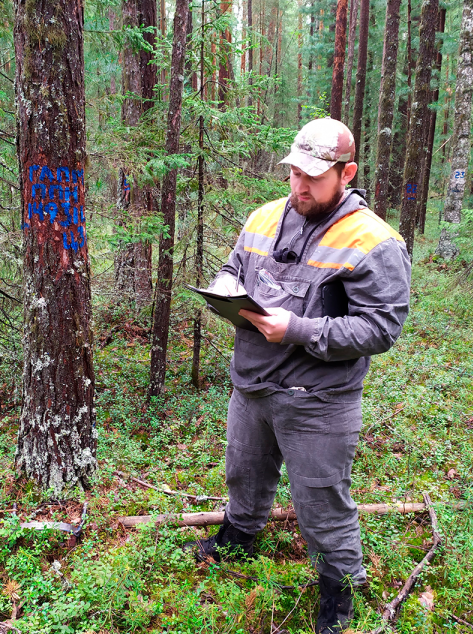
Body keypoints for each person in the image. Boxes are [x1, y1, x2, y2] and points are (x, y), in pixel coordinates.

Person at [190, 118, 411, 633]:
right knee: (244, 472)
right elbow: (235, 267)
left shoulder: (373, 240)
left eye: (314, 176)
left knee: (321, 499)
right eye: (294, 173)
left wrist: (297, 329)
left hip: (319, 400)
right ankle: (240, 536)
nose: (300, 186)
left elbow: (380, 328)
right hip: (252, 385)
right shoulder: (264, 218)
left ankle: (340, 588)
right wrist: (225, 287)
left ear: (347, 173)